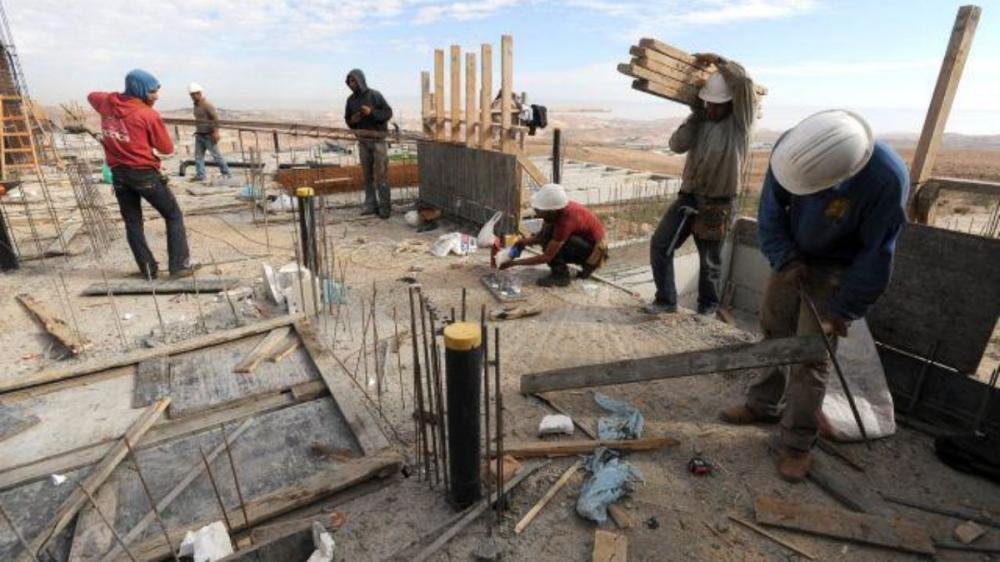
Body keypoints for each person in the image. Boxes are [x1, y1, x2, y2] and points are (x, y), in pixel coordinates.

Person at [719, 110, 909, 482]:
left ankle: (797, 441)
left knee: (811, 355)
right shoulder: (792, 150)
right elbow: (771, 212)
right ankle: (763, 403)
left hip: (837, 268)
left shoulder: (885, 180)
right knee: (774, 329)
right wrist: (784, 256)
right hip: (793, 253)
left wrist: (846, 308)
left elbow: (877, 254)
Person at [645, 53, 757, 316]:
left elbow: (744, 83)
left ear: (731, 104)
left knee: (709, 262)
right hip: (689, 198)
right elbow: (676, 145)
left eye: (718, 105)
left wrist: (719, 60)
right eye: (708, 104)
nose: (712, 109)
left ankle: (707, 309)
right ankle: (666, 300)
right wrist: (696, 115)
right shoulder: (702, 120)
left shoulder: (740, 125)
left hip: (718, 204)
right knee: (661, 245)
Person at [88, 69, 194, 278]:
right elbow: (166, 148)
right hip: (144, 173)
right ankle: (179, 266)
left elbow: (91, 95)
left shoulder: (107, 102)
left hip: (118, 173)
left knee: (133, 222)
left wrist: (115, 100)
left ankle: (147, 268)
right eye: (152, 91)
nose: (156, 96)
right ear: (140, 90)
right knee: (173, 214)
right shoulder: (147, 114)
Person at [499, 183, 608, 287]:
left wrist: (514, 263)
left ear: (551, 211)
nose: (537, 213)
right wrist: (523, 242)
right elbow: (541, 236)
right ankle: (566, 271)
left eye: (539, 211)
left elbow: (547, 256)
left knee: (548, 244)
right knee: (548, 235)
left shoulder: (566, 221)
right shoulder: (557, 211)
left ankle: (561, 276)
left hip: (594, 253)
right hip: (584, 243)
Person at [344, 69, 393, 218]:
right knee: (367, 176)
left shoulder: (375, 95)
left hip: (378, 141)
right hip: (363, 141)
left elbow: (388, 113)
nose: (351, 84)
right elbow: (348, 120)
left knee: (381, 175)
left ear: (360, 80)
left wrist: (371, 112)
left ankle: (385, 208)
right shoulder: (350, 100)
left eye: (354, 81)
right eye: (349, 81)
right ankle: (370, 205)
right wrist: (352, 121)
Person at [188, 82, 231, 181]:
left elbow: (215, 119)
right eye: (192, 94)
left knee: (217, 156)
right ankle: (200, 175)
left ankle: (227, 174)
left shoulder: (207, 105)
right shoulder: (196, 105)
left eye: (195, 93)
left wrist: (216, 132)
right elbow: (200, 119)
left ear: (200, 93)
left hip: (208, 135)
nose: (193, 96)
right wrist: (198, 130)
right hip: (200, 135)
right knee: (198, 157)